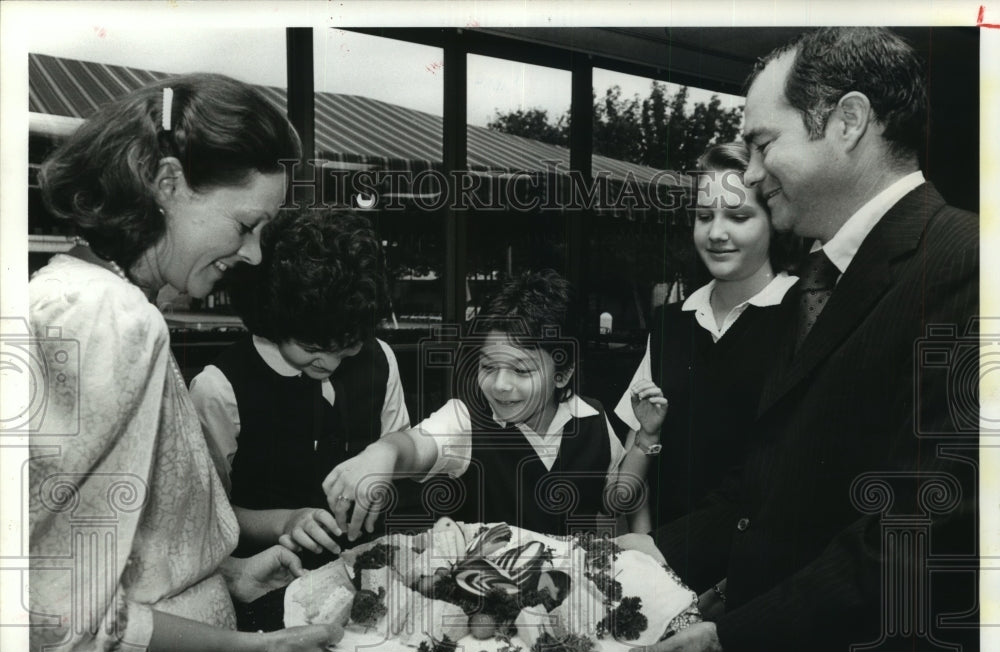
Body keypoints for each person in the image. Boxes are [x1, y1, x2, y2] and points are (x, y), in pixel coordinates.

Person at [627, 27, 979, 652]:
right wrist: (658, 549)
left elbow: (922, 528)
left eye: (762, 144)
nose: (751, 174)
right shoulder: (823, 280)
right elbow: (779, 485)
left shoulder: (968, 266)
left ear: (846, 123)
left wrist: (735, 638)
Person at [29, 74, 342, 652]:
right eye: (246, 224)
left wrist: (227, 577)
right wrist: (261, 650)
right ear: (168, 185)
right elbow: (60, 627)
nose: (255, 256)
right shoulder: (112, 321)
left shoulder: (85, 299)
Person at [323, 270, 659, 540]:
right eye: (488, 366)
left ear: (563, 373)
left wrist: (645, 436)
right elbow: (414, 445)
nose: (499, 385)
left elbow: (616, 498)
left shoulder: (592, 417)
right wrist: (381, 454)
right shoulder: (466, 418)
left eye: (520, 370)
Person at [189, 208, 410, 563]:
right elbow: (203, 516)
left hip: (368, 568)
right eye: (311, 349)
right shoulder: (219, 388)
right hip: (265, 582)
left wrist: (382, 478)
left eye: (348, 347)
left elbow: (400, 454)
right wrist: (286, 522)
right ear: (275, 321)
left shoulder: (380, 359)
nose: (331, 363)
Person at [614, 142, 799, 535]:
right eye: (703, 216)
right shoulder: (670, 324)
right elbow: (637, 467)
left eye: (738, 216)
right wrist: (648, 549)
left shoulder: (806, 314)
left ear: (774, 220)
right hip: (665, 568)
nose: (716, 233)